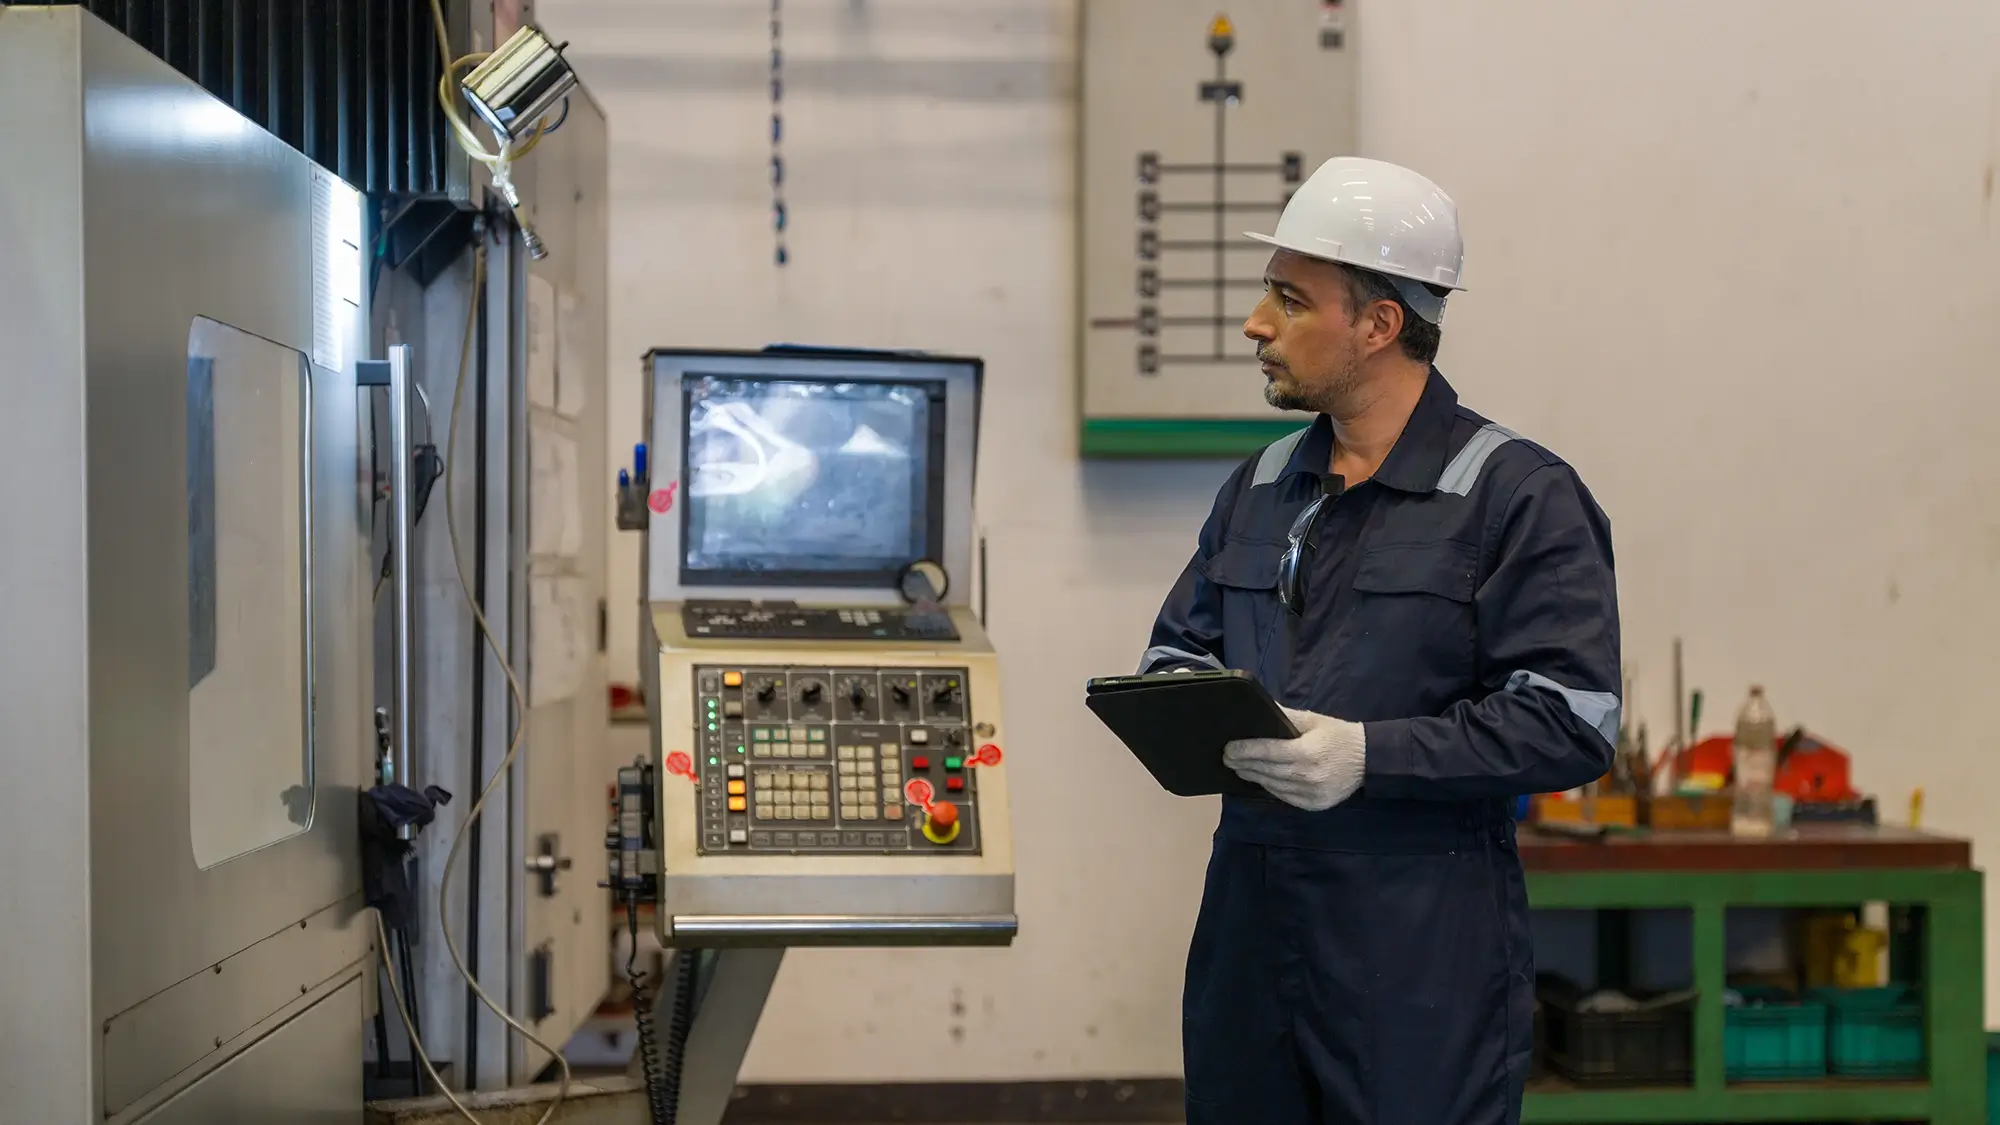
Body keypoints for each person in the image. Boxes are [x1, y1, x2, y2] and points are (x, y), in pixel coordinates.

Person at [1139, 156, 1622, 1124]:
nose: (1255, 324)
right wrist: (1177, 702)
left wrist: (1369, 755)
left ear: (1379, 324)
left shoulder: (1515, 498)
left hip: (1417, 960)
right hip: (1250, 935)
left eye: (1289, 299)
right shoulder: (1263, 485)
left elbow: (1570, 720)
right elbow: (1175, 651)